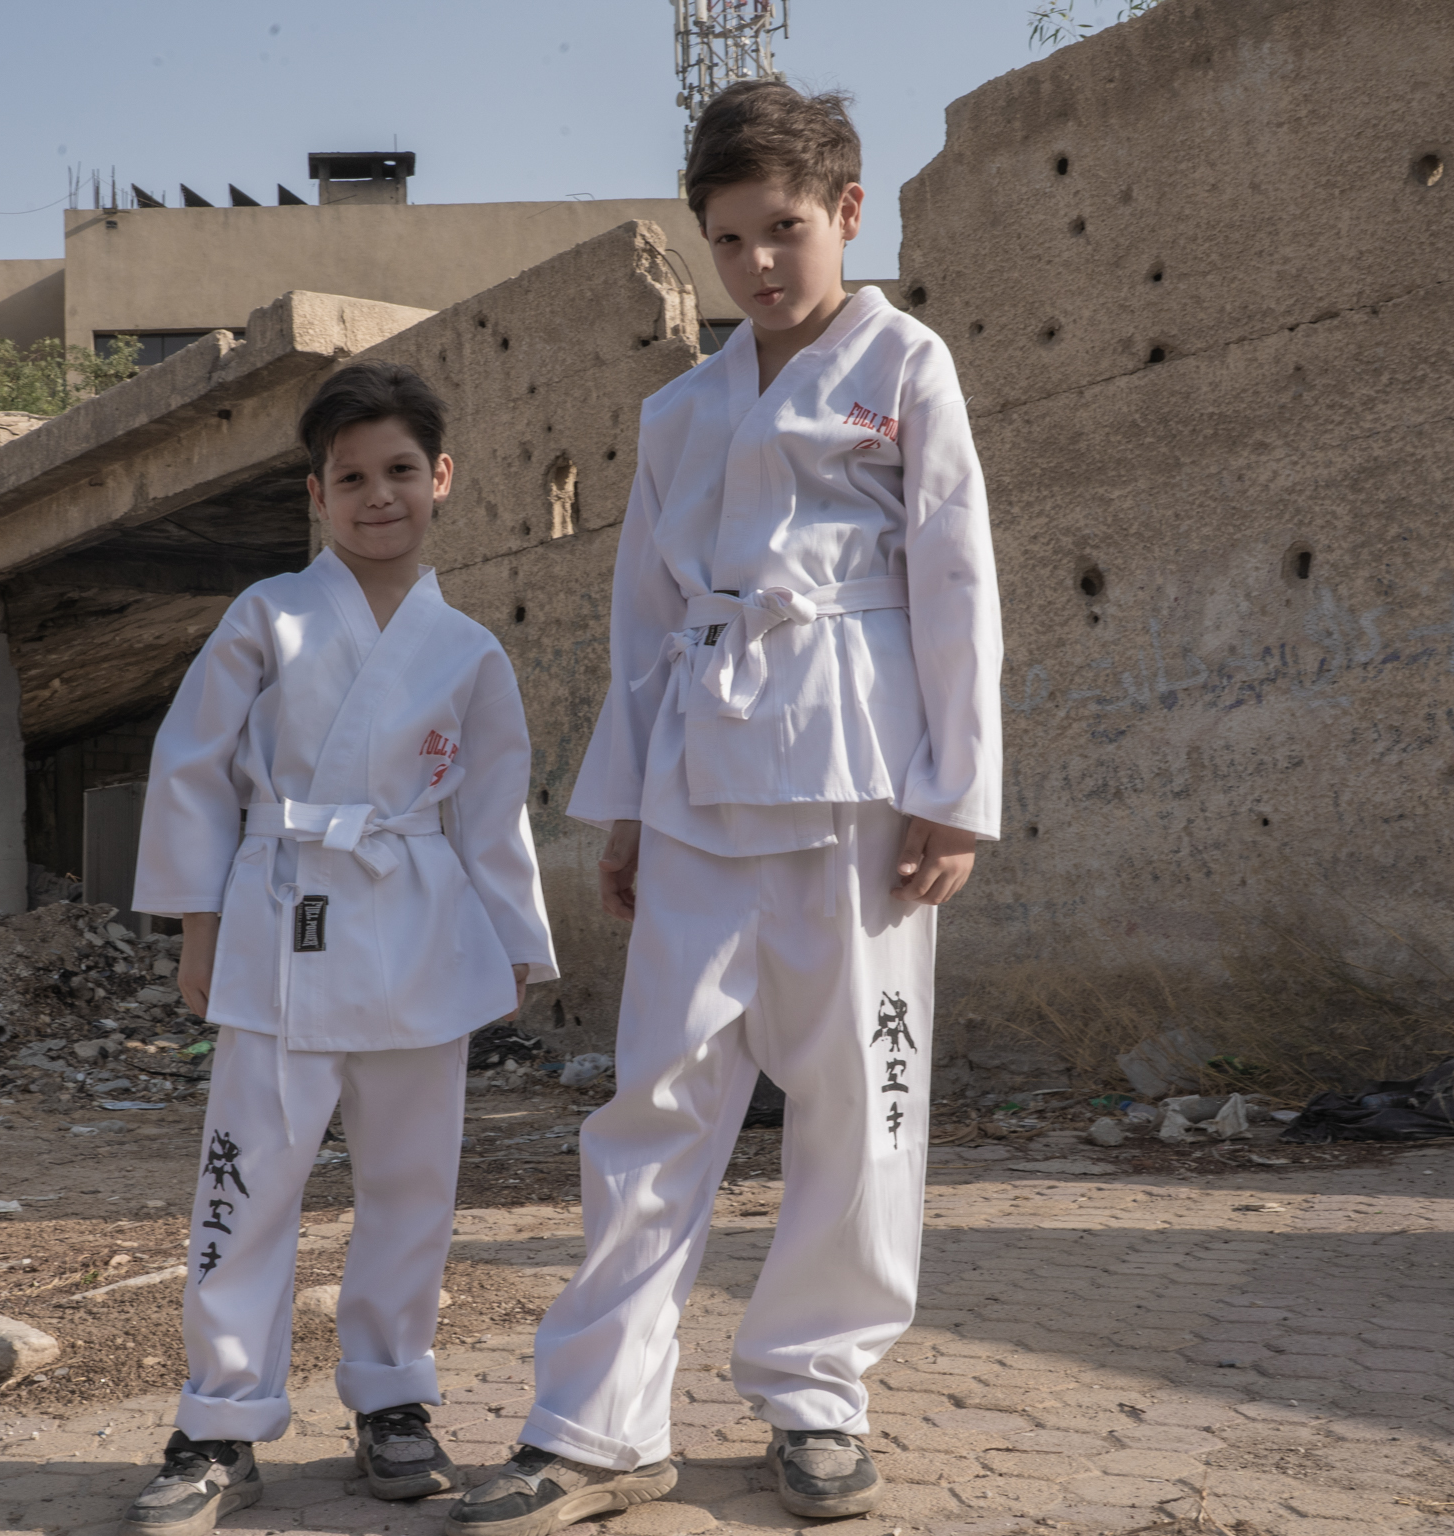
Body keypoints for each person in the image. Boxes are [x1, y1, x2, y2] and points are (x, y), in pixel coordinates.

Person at [444, 79, 1002, 1536]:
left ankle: (818, 1393)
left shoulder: (906, 363)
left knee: (857, 1106)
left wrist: (956, 794)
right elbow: (644, 625)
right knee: (656, 1103)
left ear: (848, 216)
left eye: (788, 230)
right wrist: (625, 806)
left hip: (858, 786)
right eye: (734, 238)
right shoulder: (681, 409)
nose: (762, 262)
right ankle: (594, 1422)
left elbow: (955, 581)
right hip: (699, 783)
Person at [121, 361, 560, 1536]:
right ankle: (219, 1419)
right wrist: (197, 929)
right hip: (280, 918)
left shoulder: (467, 649)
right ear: (317, 495)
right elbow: (193, 772)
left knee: (412, 1186)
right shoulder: (267, 615)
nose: (379, 497)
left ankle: (392, 1397)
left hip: (421, 928)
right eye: (352, 478)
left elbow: (493, 807)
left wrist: (515, 939)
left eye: (401, 472)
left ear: (443, 479)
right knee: (248, 1182)